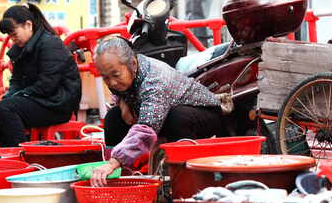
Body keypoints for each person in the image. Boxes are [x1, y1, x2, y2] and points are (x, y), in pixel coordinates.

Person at [90, 37, 228, 186]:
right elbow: (119, 93)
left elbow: (146, 128)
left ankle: (182, 180)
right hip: (163, 114)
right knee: (113, 118)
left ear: (133, 64)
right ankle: (118, 178)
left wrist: (113, 162)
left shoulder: (155, 80)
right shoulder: (127, 70)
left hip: (205, 115)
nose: (112, 83)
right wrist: (123, 104)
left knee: (176, 118)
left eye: (115, 75)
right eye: (106, 78)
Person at [0, 3, 82, 147]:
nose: (12, 39)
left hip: (57, 104)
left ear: (28, 25)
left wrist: (17, 96)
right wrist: (10, 95)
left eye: (14, 34)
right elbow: (16, 80)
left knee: (6, 108)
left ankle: (21, 153)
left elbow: (47, 85)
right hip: (39, 99)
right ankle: (7, 151)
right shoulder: (21, 48)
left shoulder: (50, 43)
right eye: (10, 36)